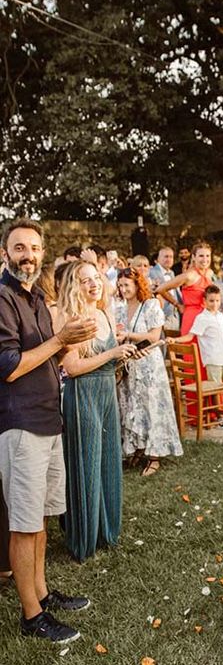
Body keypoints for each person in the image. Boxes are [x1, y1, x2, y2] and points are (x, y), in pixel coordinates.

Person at [0, 218, 96, 643]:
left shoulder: (38, 295)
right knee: (23, 523)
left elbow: (49, 359)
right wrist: (60, 340)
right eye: (19, 248)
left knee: (39, 516)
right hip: (20, 424)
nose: (28, 255)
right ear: (5, 254)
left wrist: (72, 342)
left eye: (34, 248)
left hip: (48, 418)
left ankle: (41, 592)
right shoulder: (2, 299)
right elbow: (10, 366)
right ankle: (31, 615)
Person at [56, 260, 135, 561]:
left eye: (96, 278)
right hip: (83, 395)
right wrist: (113, 353)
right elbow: (72, 368)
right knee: (87, 463)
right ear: (74, 286)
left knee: (108, 460)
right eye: (85, 280)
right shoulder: (71, 319)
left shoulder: (103, 313)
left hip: (106, 394)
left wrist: (123, 357)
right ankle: (85, 537)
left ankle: (106, 530)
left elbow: (107, 359)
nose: (93, 284)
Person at [114, 268, 183, 476]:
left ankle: (155, 456)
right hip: (129, 365)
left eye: (127, 285)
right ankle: (139, 448)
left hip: (149, 365)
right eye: (120, 285)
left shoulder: (150, 305)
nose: (123, 289)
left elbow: (154, 336)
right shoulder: (119, 308)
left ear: (137, 285)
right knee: (133, 407)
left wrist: (128, 334)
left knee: (152, 408)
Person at [178, 285, 223, 386]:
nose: (215, 304)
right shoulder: (202, 318)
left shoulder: (219, 315)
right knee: (216, 386)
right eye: (211, 301)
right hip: (212, 359)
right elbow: (190, 336)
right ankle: (217, 402)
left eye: (217, 301)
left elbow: (218, 329)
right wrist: (174, 340)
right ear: (204, 301)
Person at [155, 242, 215, 335]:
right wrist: (177, 304)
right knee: (193, 348)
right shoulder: (188, 275)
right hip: (193, 318)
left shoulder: (210, 273)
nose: (205, 259)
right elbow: (161, 289)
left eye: (208, 256)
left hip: (208, 317)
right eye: (201, 256)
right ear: (194, 257)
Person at [148, 247, 181, 332]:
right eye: (166, 256)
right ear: (158, 259)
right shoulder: (151, 272)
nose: (169, 259)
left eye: (171, 257)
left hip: (174, 315)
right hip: (160, 315)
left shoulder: (172, 273)